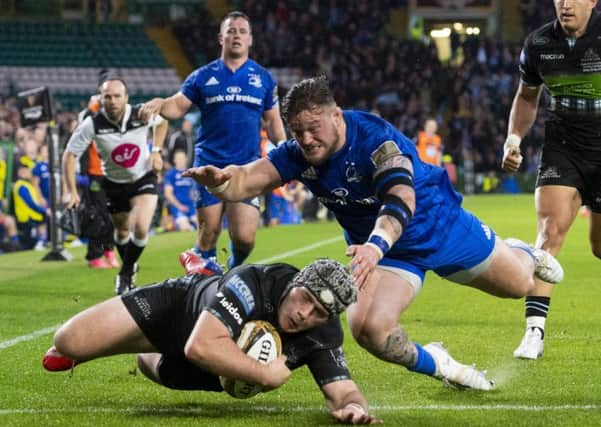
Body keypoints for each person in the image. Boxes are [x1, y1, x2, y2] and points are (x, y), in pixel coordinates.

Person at [184, 76, 565, 390]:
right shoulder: (299, 152)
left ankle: (524, 252)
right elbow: (249, 179)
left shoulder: (375, 139)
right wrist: (221, 183)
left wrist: (375, 246)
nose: (306, 140)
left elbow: (400, 200)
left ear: (336, 115)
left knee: (519, 285)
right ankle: (444, 366)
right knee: (369, 330)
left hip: (435, 225)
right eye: (297, 132)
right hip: (383, 252)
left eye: (313, 129)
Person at [43, 254, 382, 425]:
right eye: (304, 298)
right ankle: (203, 273)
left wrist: (354, 409)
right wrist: (265, 374)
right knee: (68, 342)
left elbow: (344, 391)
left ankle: (144, 344)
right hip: (178, 310)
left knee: (153, 364)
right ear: (295, 284)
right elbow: (200, 345)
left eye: (320, 312)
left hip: (208, 369)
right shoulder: (256, 282)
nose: (305, 314)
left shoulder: (322, 331)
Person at [139, 11, 287, 270]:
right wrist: (160, 103)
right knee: (209, 232)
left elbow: (273, 121)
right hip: (209, 163)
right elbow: (177, 106)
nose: (237, 36)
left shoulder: (263, 78)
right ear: (222, 38)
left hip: (246, 167)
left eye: (242, 31)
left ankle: (233, 263)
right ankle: (201, 280)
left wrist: (287, 151)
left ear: (250, 39)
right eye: (231, 31)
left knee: (244, 238)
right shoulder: (202, 76)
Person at [501, 0, 601, 359]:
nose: (565, 4)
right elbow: (527, 97)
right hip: (564, 145)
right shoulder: (539, 43)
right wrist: (513, 139)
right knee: (548, 235)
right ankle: (534, 333)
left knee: (599, 247)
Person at [62, 77, 168, 294]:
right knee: (121, 231)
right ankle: (129, 268)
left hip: (142, 178)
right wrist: (70, 191)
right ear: (101, 99)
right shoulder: (93, 124)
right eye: (107, 97)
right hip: (112, 183)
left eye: (117, 96)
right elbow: (70, 155)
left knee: (140, 226)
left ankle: (126, 271)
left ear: (126, 98)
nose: (112, 101)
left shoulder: (140, 114)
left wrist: (156, 152)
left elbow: (163, 122)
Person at [164, 150, 198, 231]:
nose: (181, 160)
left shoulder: (191, 173)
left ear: (186, 159)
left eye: (182, 158)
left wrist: (196, 205)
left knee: (202, 224)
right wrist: (179, 206)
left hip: (192, 206)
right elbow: (168, 193)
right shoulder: (171, 174)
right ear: (174, 160)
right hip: (178, 207)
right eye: (178, 158)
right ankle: (189, 227)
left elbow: (195, 191)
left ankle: (193, 226)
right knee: (184, 227)